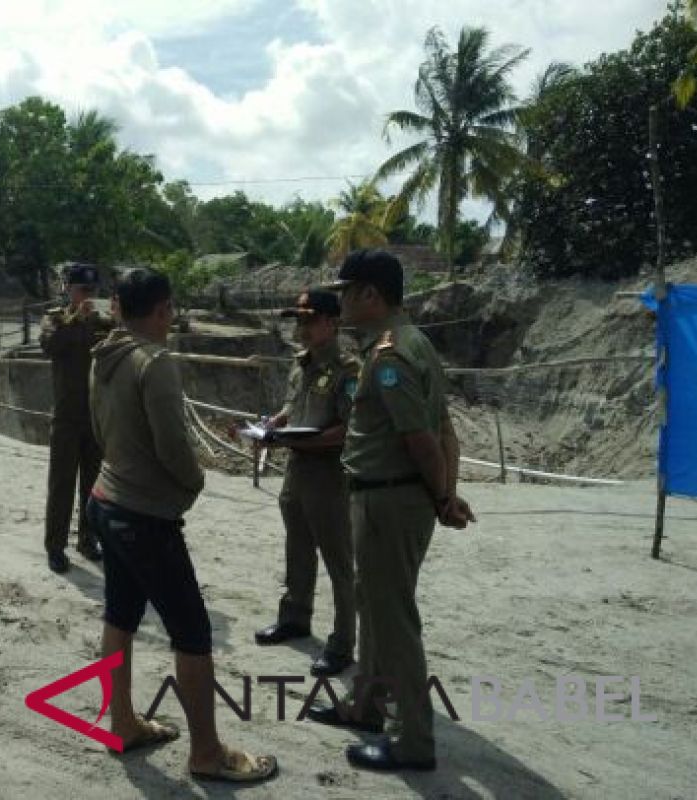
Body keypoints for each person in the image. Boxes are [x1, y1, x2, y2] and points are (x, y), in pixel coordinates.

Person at [87, 268, 277, 785]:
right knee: (192, 633)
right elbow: (175, 447)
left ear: (118, 308)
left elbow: (99, 427)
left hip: (106, 499)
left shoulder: (103, 356)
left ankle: (122, 722)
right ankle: (207, 753)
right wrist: (193, 484)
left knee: (120, 617)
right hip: (145, 515)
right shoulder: (155, 363)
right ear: (163, 310)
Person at [306, 249, 475, 772]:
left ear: (371, 295)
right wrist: (446, 492)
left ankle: (412, 741)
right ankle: (367, 706)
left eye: (349, 290)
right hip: (388, 495)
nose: (343, 301)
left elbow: (422, 439)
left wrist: (445, 497)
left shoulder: (390, 358)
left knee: (395, 620)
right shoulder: (413, 343)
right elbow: (445, 430)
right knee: (374, 608)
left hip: (388, 498)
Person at [254, 290, 361, 678]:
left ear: (333, 323)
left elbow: (349, 429)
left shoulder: (349, 370)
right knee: (297, 547)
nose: (301, 327)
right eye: (298, 320)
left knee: (338, 561)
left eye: (309, 319)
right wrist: (275, 424)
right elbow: (292, 405)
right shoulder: (300, 365)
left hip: (329, 474)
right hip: (297, 468)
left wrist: (304, 440)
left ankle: (342, 642)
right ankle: (295, 617)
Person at [40, 263, 114, 573]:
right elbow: (49, 345)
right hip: (67, 416)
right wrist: (76, 321)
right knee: (61, 484)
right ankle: (55, 546)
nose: (87, 295)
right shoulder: (55, 318)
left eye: (92, 291)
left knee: (93, 485)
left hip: (95, 417)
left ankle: (88, 539)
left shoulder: (104, 322)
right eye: (82, 289)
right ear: (69, 289)